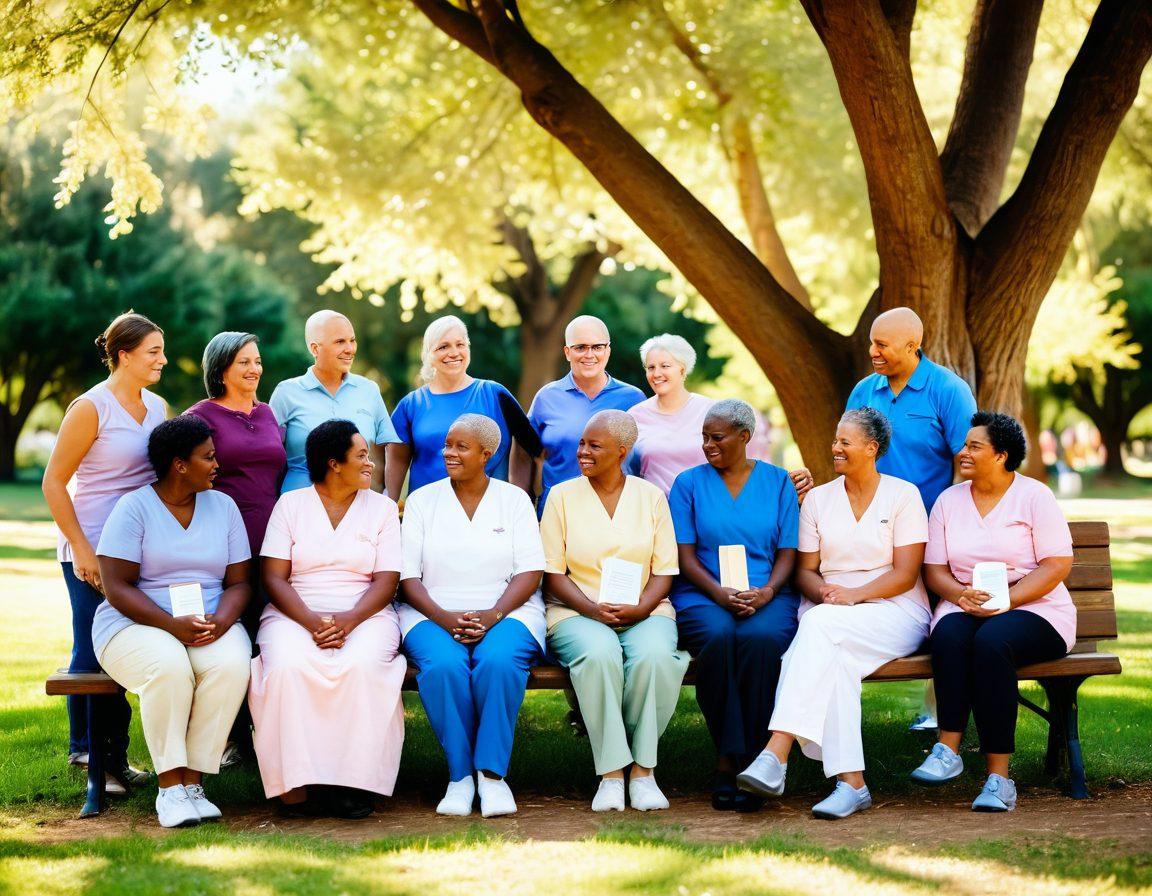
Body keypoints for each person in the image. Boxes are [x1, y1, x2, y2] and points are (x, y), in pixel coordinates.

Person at [738, 408, 930, 819]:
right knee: (835, 662)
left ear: (871, 448)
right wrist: (826, 592)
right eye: (835, 440)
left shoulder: (903, 495)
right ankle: (851, 784)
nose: (835, 448)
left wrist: (855, 595)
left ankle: (777, 751)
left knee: (817, 629)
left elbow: (905, 573)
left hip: (894, 610)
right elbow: (806, 572)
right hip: (832, 610)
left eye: (845, 441)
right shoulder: (819, 500)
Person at [909, 412, 1075, 812]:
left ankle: (999, 778)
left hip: (1035, 607)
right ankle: (948, 749)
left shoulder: (1035, 496)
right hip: (965, 602)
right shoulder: (949, 501)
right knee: (948, 637)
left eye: (973, 446)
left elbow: (1056, 564)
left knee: (992, 642)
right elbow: (934, 569)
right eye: (964, 445)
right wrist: (960, 594)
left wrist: (1008, 600)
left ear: (1001, 455)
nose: (962, 452)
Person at [94, 415, 253, 827]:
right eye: (208, 457)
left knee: (232, 664)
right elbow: (117, 586)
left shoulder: (224, 506)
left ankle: (193, 783)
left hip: (208, 620)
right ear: (179, 464)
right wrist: (171, 625)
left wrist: (220, 621)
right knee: (168, 667)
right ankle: (169, 788)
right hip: (134, 623)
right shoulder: (134, 508)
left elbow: (239, 583)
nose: (217, 464)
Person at [248, 420, 406, 819]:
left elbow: (387, 580)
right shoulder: (291, 505)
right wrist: (311, 622)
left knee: (362, 666)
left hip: (366, 612)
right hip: (294, 611)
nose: (371, 463)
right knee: (287, 666)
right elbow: (273, 577)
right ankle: (295, 782)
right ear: (334, 464)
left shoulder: (383, 508)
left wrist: (350, 620)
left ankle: (350, 783)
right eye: (362, 456)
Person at [41, 311, 167, 791]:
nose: (162, 360)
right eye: (153, 352)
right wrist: (81, 547)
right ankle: (89, 752)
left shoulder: (156, 407)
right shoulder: (91, 407)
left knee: (125, 645)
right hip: (90, 544)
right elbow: (54, 481)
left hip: (137, 548)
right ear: (123, 355)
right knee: (93, 644)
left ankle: (115, 755)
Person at [542, 410, 688, 813]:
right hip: (576, 610)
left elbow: (665, 570)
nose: (583, 452)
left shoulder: (651, 497)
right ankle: (610, 773)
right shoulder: (561, 496)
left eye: (595, 446)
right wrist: (591, 608)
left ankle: (643, 772)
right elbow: (552, 573)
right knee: (600, 654)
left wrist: (642, 608)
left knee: (656, 657)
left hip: (645, 607)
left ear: (622, 451)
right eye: (582, 444)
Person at [399, 414, 545, 817]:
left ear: (488, 454)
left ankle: (492, 776)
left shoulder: (514, 500)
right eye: (448, 444)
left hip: (507, 610)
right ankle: (460, 777)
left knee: (498, 662)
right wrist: (445, 619)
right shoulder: (422, 500)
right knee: (444, 666)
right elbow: (408, 578)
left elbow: (530, 571)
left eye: (461, 447)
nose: (449, 452)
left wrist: (494, 613)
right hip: (430, 610)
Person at [845, 307, 977, 732]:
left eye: (882, 345)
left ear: (912, 346)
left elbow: (968, 460)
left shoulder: (948, 390)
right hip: (871, 523)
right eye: (872, 342)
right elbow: (847, 451)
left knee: (943, 610)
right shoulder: (865, 390)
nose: (873, 352)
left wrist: (953, 519)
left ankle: (940, 713)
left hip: (930, 521)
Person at [668, 399, 800, 811]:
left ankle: (759, 761)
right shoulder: (688, 484)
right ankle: (728, 760)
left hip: (768, 592)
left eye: (717, 437)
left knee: (761, 640)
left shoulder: (778, 483)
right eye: (704, 436)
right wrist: (719, 594)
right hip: (703, 591)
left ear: (745, 437)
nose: (708, 444)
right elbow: (685, 557)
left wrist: (768, 592)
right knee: (720, 637)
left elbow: (788, 553)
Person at [186, 331, 287, 763]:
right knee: (233, 632)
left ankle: (270, 731)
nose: (254, 369)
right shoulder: (199, 416)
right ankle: (233, 737)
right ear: (220, 368)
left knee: (268, 634)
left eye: (258, 360)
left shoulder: (267, 414)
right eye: (244, 361)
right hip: (224, 538)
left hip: (274, 537)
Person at [386, 315, 536, 500]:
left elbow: (531, 448)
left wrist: (521, 498)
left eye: (460, 344)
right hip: (428, 514)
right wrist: (390, 507)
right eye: (443, 347)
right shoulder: (411, 404)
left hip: (489, 512)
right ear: (428, 354)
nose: (454, 353)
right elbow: (396, 460)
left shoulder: (495, 394)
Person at [512, 315, 645, 514]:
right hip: (558, 513)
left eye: (597, 347)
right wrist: (522, 502)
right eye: (580, 347)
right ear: (567, 352)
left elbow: (647, 456)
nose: (589, 354)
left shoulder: (634, 399)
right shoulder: (547, 397)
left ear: (608, 350)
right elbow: (523, 450)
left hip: (618, 512)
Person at [270, 310, 400, 494]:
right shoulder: (286, 393)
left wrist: (388, 498)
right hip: (299, 507)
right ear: (315, 349)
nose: (350, 349)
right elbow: (268, 455)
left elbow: (388, 450)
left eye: (352, 340)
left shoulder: (369, 390)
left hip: (359, 508)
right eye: (340, 342)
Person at [626, 334, 714, 494]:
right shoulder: (634, 416)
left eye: (665, 366)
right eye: (651, 367)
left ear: (682, 369)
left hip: (703, 512)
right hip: (655, 514)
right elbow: (626, 471)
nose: (656, 374)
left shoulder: (710, 411)